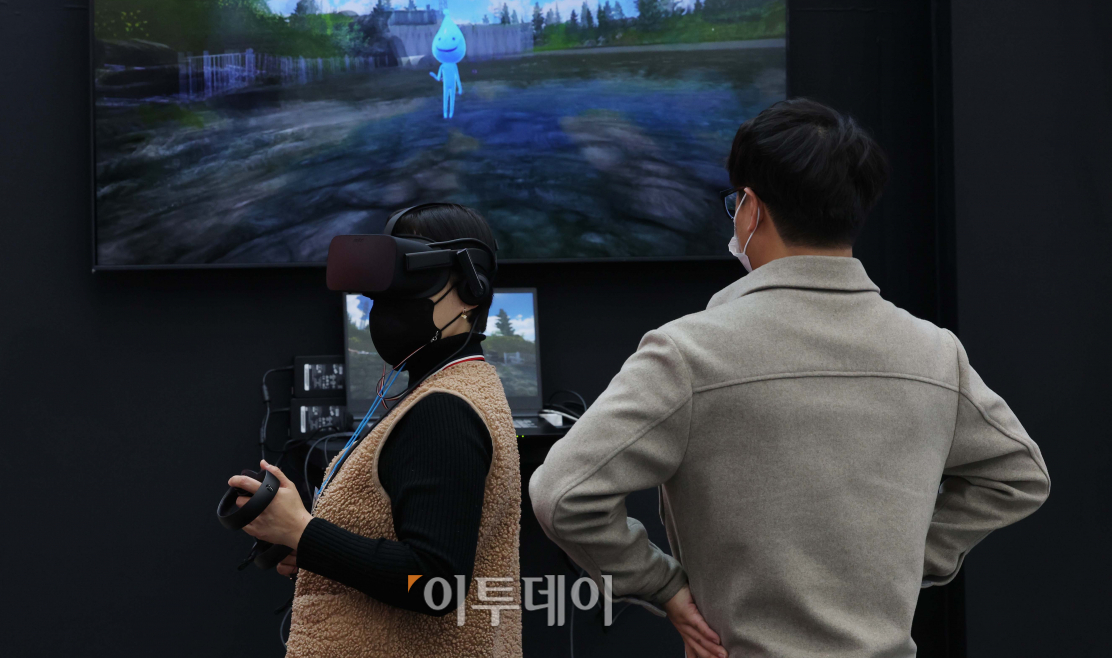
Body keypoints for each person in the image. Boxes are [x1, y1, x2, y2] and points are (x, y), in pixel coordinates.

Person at [528, 98, 1050, 658]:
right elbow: (1018, 475)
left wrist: (663, 587)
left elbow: (563, 493)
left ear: (750, 208)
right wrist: (906, 560)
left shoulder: (687, 353)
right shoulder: (936, 353)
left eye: (735, 202)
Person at [229, 204, 522, 658]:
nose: (384, 307)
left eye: (412, 282)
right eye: (383, 290)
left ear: (471, 290)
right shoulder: (453, 389)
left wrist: (304, 532)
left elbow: (433, 582)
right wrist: (311, 548)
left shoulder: (445, 411)